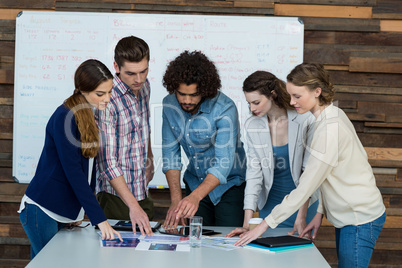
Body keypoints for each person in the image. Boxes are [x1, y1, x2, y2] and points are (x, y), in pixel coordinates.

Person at [235, 63, 386, 268]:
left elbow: (306, 185)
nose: (291, 101)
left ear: (317, 91)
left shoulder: (328, 130)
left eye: (297, 96)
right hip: (349, 216)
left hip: (360, 217)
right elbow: (327, 174)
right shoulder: (330, 117)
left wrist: (262, 226)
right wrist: (320, 211)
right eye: (290, 95)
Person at [18, 59, 122, 259]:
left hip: (58, 212)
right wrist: (100, 219)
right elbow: (73, 172)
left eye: (110, 92)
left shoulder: (86, 114)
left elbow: (88, 170)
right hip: (42, 210)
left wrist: (75, 213)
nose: (107, 98)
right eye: (100, 94)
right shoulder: (65, 116)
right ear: (82, 90)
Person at [226, 71, 318, 239]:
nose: (252, 109)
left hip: (303, 204)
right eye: (249, 103)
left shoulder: (304, 120)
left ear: (273, 95)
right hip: (271, 206)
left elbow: (309, 171)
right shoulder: (253, 125)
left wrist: (301, 216)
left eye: (256, 102)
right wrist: (247, 224)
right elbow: (254, 174)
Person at [161, 50, 246, 227]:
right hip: (194, 181)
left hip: (228, 186)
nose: (186, 100)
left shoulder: (225, 108)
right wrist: (177, 200)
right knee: (195, 242)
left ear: (206, 90)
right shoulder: (169, 105)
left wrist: (195, 197)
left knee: (227, 243)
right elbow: (171, 156)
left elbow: (223, 164)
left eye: (193, 95)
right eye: (181, 94)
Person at [96, 36, 154, 236]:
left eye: (143, 71)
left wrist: (150, 158)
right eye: (131, 73)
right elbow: (106, 162)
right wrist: (133, 207)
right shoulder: (107, 100)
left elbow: (143, 126)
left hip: (142, 189)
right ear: (116, 67)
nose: (138, 79)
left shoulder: (145, 87)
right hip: (115, 198)